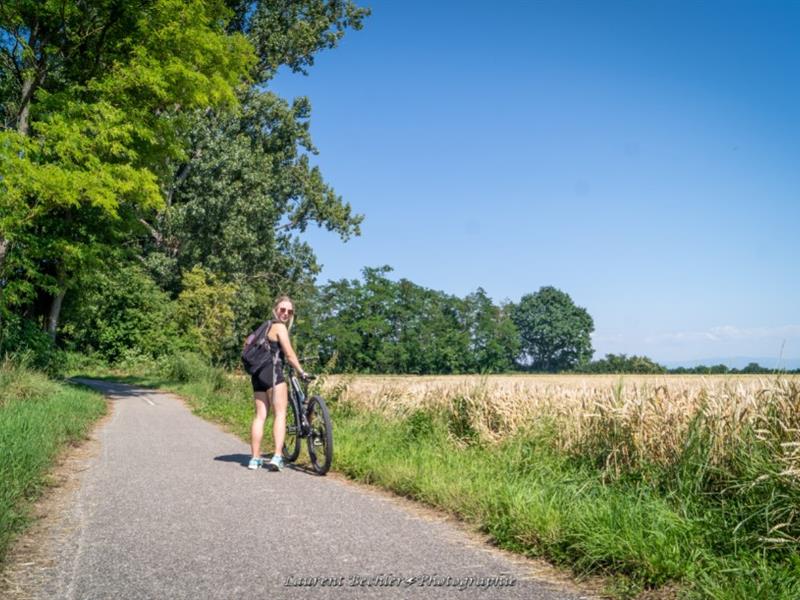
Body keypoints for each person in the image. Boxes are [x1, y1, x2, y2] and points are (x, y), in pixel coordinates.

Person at [248, 295, 308, 471]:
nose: (285, 313)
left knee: (260, 416)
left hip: (257, 375)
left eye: (289, 311)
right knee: (280, 414)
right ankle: (277, 456)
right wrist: (301, 371)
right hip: (272, 373)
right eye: (282, 309)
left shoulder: (264, 327)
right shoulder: (279, 328)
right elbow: (289, 354)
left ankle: (255, 458)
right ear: (275, 309)